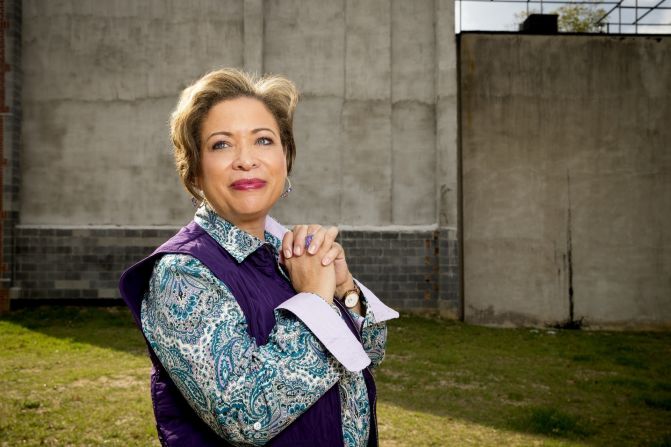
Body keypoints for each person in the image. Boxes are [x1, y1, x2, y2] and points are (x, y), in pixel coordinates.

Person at [119, 68, 398, 447]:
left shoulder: (290, 253)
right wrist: (315, 299)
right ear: (195, 171)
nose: (246, 160)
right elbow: (245, 418)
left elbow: (369, 353)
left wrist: (344, 288)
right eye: (221, 145)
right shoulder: (181, 275)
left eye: (263, 140)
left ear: (285, 159)